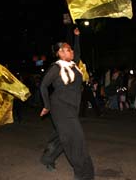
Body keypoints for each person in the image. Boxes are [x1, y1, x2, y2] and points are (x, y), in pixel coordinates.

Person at [39, 27, 95, 180]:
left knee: (62, 138)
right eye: (68, 50)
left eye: (70, 49)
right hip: (61, 108)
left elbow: (78, 52)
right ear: (60, 53)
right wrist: (47, 105)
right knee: (76, 140)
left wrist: (76, 37)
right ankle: (83, 173)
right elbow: (43, 85)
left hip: (72, 108)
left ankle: (47, 159)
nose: (71, 52)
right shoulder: (56, 68)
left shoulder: (73, 65)